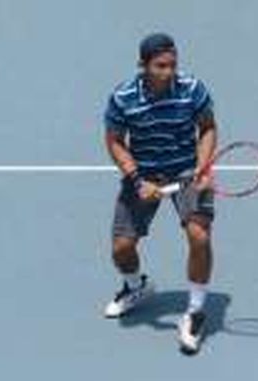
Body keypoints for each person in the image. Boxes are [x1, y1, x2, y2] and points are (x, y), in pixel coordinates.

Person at [102, 33, 217, 354]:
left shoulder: (193, 89)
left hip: (186, 170)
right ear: (143, 65)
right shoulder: (123, 97)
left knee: (200, 237)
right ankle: (136, 286)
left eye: (173, 65)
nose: (169, 72)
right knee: (122, 249)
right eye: (160, 66)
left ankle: (195, 312)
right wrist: (138, 179)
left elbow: (207, 127)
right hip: (144, 171)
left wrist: (204, 167)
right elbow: (114, 141)